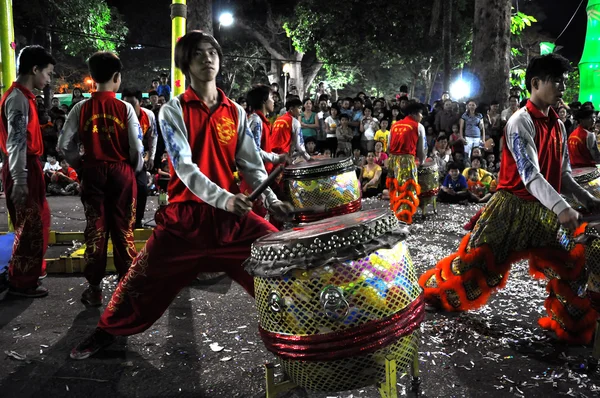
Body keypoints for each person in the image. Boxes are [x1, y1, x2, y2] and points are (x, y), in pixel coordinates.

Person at [69, 31, 293, 360]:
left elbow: (251, 164)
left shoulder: (236, 113)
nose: (208, 59)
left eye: (212, 52)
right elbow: (185, 169)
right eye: (198, 54)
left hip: (232, 222)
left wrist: (272, 202)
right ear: (185, 63)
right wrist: (227, 198)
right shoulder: (172, 111)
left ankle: (306, 336)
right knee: (141, 283)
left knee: (283, 263)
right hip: (185, 221)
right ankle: (107, 331)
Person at [419, 53, 600, 344]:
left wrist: (586, 199)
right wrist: (564, 207)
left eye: (564, 82)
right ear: (536, 83)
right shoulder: (519, 121)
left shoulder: (558, 125)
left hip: (546, 213)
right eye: (557, 81)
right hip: (510, 210)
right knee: (473, 267)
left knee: (572, 267)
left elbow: (563, 174)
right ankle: (429, 293)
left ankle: (572, 331)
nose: (562, 88)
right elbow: (531, 176)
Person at [59, 52, 144, 307]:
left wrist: (81, 166)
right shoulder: (125, 108)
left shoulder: (80, 107)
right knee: (123, 231)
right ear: (117, 78)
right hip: (121, 174)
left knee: (95, 230)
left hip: (93, 172)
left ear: (93, 78)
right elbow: (136, 148)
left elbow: (65, 145)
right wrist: (133, 168)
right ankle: (125, 290)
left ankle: (94, 290)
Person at [0, 45, 55, 297]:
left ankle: (28, 274)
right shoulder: (18, 99)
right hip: (22, 168)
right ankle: (21, 283)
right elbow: (16, 141)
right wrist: (21, 179)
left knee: (36, 222)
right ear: (35, 69)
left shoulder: (22, 96)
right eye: (48, 73)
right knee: (29, 227)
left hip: (26, 167)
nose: (49, 79)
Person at [122, 89, 158, 229]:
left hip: (139, 158)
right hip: (121, 158)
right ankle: (122, 220)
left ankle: (138, 220)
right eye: (125, 103)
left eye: (132, 103)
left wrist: (152, 157)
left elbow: (153, 136)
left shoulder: (148, 115)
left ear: (141, 103)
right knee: (123, 189)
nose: (128, 107)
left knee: (142, 187)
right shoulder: (119, 114)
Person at [387, 103, 426, 224]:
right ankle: (404, 216)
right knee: (407, 187)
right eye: (421, 114)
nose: (422, 117)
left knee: (395, 186)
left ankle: (395, 212)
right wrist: (422, 161)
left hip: (393, 159)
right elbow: (421, 149)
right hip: (406, 160)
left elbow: (388, 147)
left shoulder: (394, 125)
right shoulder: (418, 126)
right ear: (414, 114)